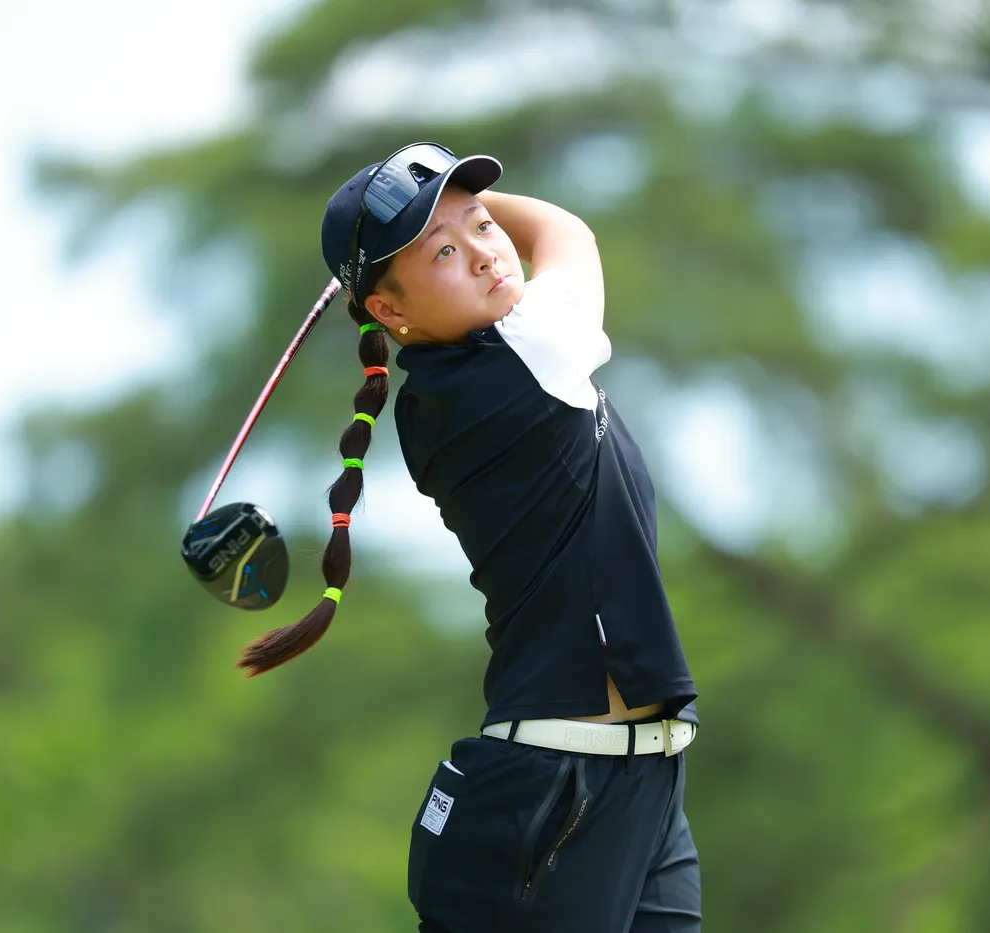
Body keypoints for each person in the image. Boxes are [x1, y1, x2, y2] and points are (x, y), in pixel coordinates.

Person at [243, 142, 702, 932]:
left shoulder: (443, 392)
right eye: (445, 253)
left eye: (483, 226)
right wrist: (469, 199)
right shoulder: (522, 356)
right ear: (391, 312)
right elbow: (567, 233)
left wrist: (435, 210)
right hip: (553, 797)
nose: (487, 252)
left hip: (639, 785)